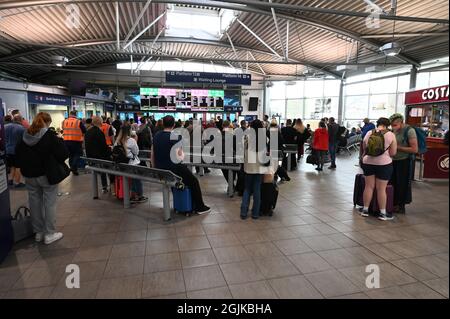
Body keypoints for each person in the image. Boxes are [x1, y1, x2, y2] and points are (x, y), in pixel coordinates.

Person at [15, 112, 68, 245]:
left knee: (34, 203)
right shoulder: (49, 135)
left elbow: (18, 154)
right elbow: (63, 154)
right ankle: (49, 234)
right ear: (47, 122)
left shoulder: (25, 135)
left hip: (29, 175)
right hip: (46, 175)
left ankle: (38, 233)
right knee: (49, 203)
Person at [152, 116, 210, 214]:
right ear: (174, 125)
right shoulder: (175, 137)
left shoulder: (156, 135)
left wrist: (155, 168)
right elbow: (179, 157)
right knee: (194, 181)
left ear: (163, 124)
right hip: (174, 168)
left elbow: (152, 154)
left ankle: (179, 204)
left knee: (177, 182)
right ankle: (200, 207)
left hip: (161, 168)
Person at [360, 117, 397, 221]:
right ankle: (382, 213)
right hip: (384, 164)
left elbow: (364, 148)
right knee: (381, 189)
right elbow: (393, 153)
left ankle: (365, 210)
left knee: (368, 186)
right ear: (388, 125)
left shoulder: (369, 133)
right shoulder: (391, 135)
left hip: (368, 162)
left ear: (377, 124)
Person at [240, 119, 272, 220]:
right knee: (257, 190)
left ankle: (244, 212)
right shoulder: (264, 138)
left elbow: (242, 148)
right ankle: (255, 213)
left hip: (249, 167)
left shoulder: (246, 136)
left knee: (247, 189)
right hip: (259, 167)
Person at [389, 113, 418, 214]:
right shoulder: (393, 130)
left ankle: (401, 206)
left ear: (402, 122)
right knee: (392, 182)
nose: (393, 127)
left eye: (395, 125)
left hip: (404, 161)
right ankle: (393, 203)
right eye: (392, 125)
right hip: (393, 160)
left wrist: (398, 147)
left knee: (402, 184)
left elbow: (414, 149)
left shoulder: (410, 131)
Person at [115, 125, 148, 203]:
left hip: (122, 164)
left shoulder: (117, 141)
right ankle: (139, 196)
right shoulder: (131, 140)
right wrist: (135, 140)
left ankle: (131, 195)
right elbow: (136, 152)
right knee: (136, 179)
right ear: (129, 131)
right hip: (132, 163)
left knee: (131, 180)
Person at [85, 116, 113, 193]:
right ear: (99, 122)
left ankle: (104, 187)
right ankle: (112, 185)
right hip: (100, 158)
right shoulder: (99, 132)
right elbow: (103, 147)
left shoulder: (88, 132)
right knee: (111, 165)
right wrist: (110, 152)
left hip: (91, 158)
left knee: (103, 167)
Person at [62, 110, 86, 176]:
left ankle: (73, 169)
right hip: (76, 141)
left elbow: (63, 129)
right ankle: (73, 166)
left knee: (70, 155)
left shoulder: (64, 121)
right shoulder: (78, 122)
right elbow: (84, 131)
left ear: (70, 114)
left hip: (66, 141)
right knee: (78, 154)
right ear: (76, 114)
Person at [5, 114, 26, 187]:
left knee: (12, 166)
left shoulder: (5, 127)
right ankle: (17, 182)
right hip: (17, 151)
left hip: (7, 150)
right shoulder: (22, 128)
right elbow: (25, 140)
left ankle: (10, 180)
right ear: (20, 120)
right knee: (18, 167)